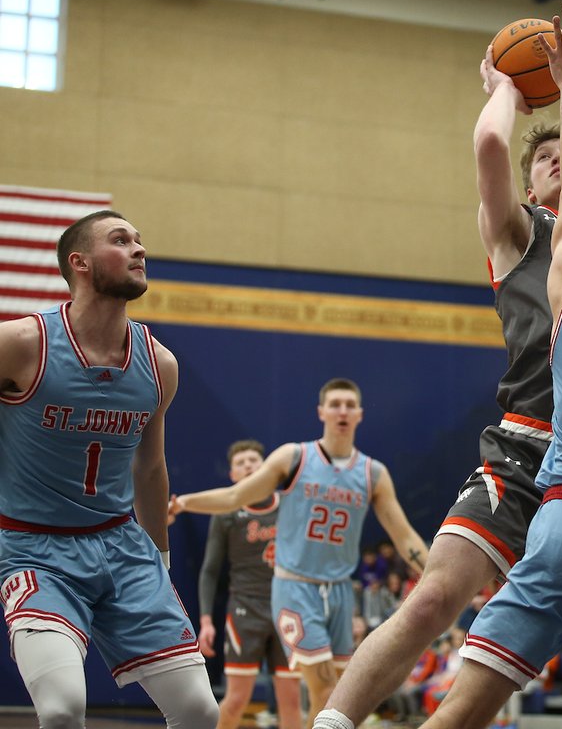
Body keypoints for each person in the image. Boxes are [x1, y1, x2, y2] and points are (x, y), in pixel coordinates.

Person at [309, 10, 562, 729]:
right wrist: (504, 83)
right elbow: (490, 138)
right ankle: (332, 724)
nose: (554, 160)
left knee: (506, 684)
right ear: (528, 183)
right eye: (541, 157)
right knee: (431, 598)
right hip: (526, 446)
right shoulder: (519, 232)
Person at [0, 211, 218, 727]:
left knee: (199, 711)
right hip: (34, 546)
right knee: (62, 709)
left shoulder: (158, 363)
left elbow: (150, 469)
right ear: (79, 262)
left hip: (122, 547)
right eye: (121, 240)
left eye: (140, 241)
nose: (140, 249)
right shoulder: (21, 343)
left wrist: (160, 559)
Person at [170, 378, 430, 726]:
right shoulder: (294, 458)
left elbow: (405, 537)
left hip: (339, 592)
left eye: (349, 405)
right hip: (294, 587)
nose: (342, 411)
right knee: (322, 691)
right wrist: (184, 502)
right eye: (335, 404)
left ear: (360, 415)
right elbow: (236, 496)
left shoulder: (373, 474)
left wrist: (438, 575)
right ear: (320, 411)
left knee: (335, 695)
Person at [195, 440, 302, 729]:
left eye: (254, 459)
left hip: (287, 610)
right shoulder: (226, 514)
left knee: (292, 701)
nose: (248, 465)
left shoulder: (289, 503)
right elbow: (210, 570)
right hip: (245, 611)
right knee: (237, 699)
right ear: (232, 475)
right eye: (240, 463)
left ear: (266, 466)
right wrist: (206, 621)